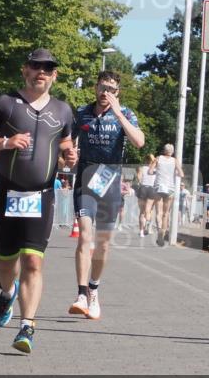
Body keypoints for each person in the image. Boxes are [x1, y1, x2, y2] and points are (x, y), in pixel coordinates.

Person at [0, 48, 77, 353]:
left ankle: (27, 325)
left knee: (33, 260)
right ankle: (7, 292)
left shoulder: (63, 110)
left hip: (41, 196)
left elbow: (67, 149)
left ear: (55, 75)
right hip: (8, 193)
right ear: (25, 70)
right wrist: (5, 142)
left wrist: (69, 157)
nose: (41, 71)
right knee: (7, 262)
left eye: (48, 67)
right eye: (36, 66)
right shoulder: (6, 103)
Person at [70, 70, 144, 319]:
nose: (105, 93)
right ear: (95, 88)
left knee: (102, 243)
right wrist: (67, 154)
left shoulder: (126, 114)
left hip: (110, 183)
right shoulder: (81, 112)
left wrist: (120, 113)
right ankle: (81, 294)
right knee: (84, 235)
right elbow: (66, 142)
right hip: (85, 181)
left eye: (111, 90)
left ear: (117, 93)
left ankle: (93, 289)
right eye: (102, 88)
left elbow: (139, 142)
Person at [149, 143, 183, 246]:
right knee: (166, 213)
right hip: (170, 188)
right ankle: (162, 235)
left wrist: (156, 172)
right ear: (172, 152)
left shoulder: (158, 158)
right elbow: (181, 174)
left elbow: (150, 172)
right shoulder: (174, 161)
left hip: (159, 187)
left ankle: (159, 229)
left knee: (158, 212)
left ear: (164, 150)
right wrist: (174, 174)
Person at [136, 154, 157, 236]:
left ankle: (141, 231)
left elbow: (139, 179)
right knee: (148, 210)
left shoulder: (141, 168)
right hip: (151, 189)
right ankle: (147, 224)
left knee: (141, 211)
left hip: (143, 188)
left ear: (145, 160)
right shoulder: (155, 170)